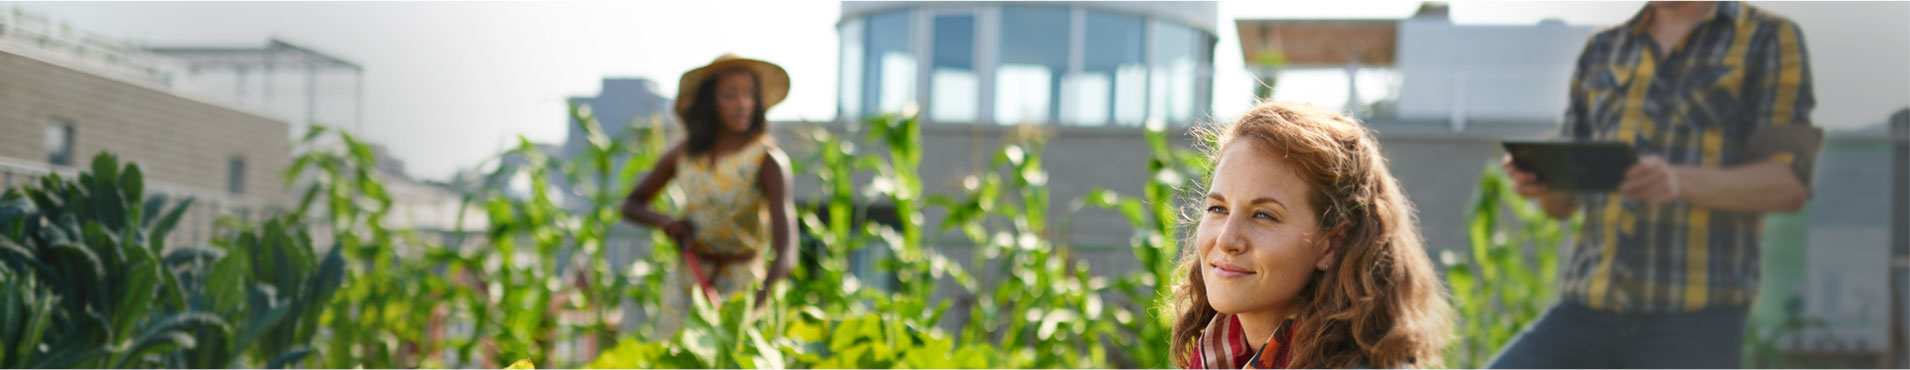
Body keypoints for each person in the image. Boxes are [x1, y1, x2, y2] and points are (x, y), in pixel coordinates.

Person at [1490, 2, 1822, 368]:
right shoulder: (1604, 48)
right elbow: (1561, 208)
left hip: (1694, 323)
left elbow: (1787, 184)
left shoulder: (1768, 39)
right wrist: (1542, 181)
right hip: (1586, 308)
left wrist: (1678, 181)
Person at [1173, 102, 1452, 369]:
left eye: (1264, 215)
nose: (1226, 239)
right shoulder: (1215, 356)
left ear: (1332, 244)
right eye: (1218, 208)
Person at [620, 54, 797, 335]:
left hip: (742, 286)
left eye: (750, 95)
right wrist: (668, 224)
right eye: (730, 95)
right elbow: (631, 204)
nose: (742, 104)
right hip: (688, 279)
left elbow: (786, 252)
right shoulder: (684, 155)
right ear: (709, 103)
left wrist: (755, 305)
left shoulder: (767, 160)